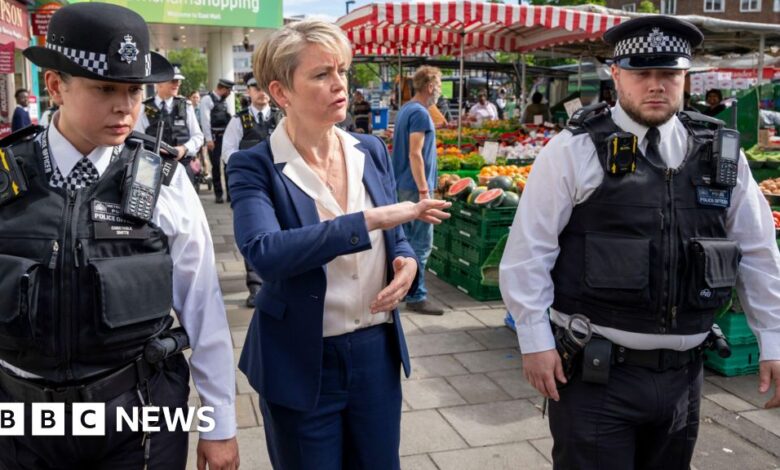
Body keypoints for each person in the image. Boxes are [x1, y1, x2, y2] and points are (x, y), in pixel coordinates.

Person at [500, 16, 780, 469]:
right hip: (597, 378)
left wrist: (774, 339)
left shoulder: (720, 153)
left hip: (685, 379)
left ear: (685, 77)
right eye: (640, 73)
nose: (655, 86)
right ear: (616, 74)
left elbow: (758, 251)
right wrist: (534, 339)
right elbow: (529, 253)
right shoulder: (574, 149)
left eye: (668, 74)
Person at [0, 3, 239, 468]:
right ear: (55, 87)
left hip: (140, 414)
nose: (125, 107)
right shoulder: (6, 174)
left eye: (133, 90)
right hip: (23, 421)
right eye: (105, 88)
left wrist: (220, 422)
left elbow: (202, 303)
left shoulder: (162, 179)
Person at [228, 20, 450, 469]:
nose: (340, 85)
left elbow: (398, 238)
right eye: (321, 74)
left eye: (343, 71)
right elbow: (265, 253)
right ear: (281, 91)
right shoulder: (253, 165)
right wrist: (365, 220)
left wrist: (406, 263)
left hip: (375, 353)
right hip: (300, 357)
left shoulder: (368, 149)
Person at [392, 65, 447, 316]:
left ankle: (402, 289)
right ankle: (417, 295)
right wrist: (425, 191)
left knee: (404, 241)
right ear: (430, 86)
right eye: (439, 85)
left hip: (403, 185)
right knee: (421, 244)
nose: (440, 91)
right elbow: (416, 153)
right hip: (415, 188)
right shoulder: (420, 114)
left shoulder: (406, 110)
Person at [221, 73, 280, 308]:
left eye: (264, 86)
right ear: (249, 92)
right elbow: (228, 152)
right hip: (253, 186)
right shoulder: (238, 120)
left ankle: (276, 282)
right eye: (256, 87)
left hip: (280, 184)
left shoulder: (280, 117)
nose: (261, 91)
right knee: (254, 234)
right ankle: (255, 286)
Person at [134, 64, 204, 185]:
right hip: (152, 169)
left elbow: (198, 137)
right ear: (159, 83)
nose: (177, 84)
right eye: (173, 81)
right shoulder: (144, 108)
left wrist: (184, 149)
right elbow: (136, 139)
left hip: (182, 167)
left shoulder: (185, 106)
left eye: (179, 81)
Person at [200, 78, 235, 203]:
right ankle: (218, 194)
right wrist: (209, 139)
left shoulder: (225, 101)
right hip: (214, 137)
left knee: (227, 165)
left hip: (225, 137)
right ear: (223, 89)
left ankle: (230, 194)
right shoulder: (207, 100)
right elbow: (205, 121)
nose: (230, 93)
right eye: (229, 90)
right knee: (215, 166)